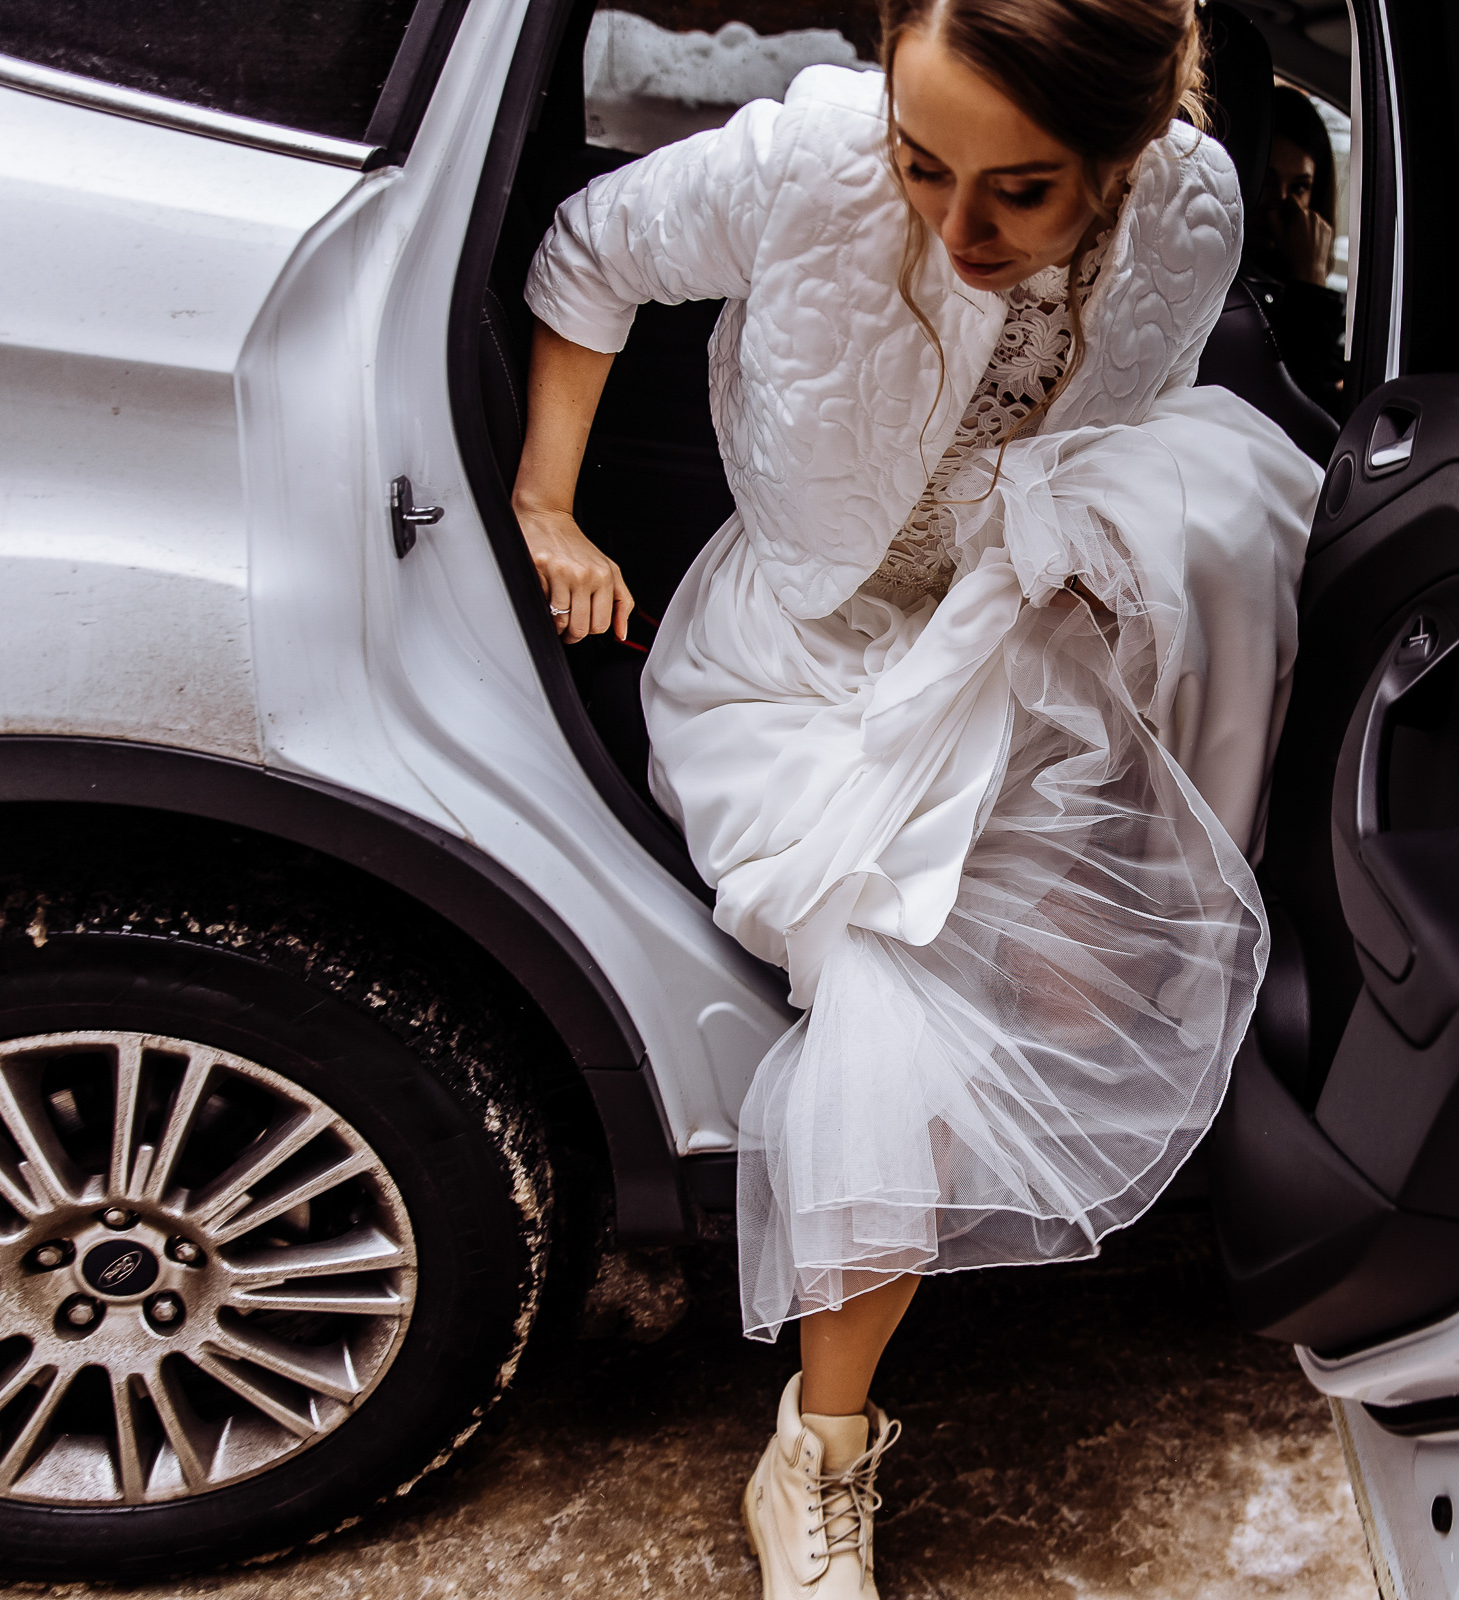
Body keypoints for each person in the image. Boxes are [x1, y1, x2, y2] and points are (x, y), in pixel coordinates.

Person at [513, 0, 1319, 1591]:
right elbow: (586, 252)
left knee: (1099, 994)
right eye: (919, 161)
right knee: (894, 1003)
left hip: (1002, 648)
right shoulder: (806, 154)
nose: (957, 227)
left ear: (1123, 159)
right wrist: (550, 504)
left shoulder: (1198, 211)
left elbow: (1123, 421)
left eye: (1019, 190)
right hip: (788, 660)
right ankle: (819, 1456)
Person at [1241, 82, 1347, 417]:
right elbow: (1294, 409)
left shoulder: (1284, 279)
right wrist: (1310, 281)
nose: (1280, 202)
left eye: (1299, 187)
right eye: (1266, 179)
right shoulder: (1230, 288)